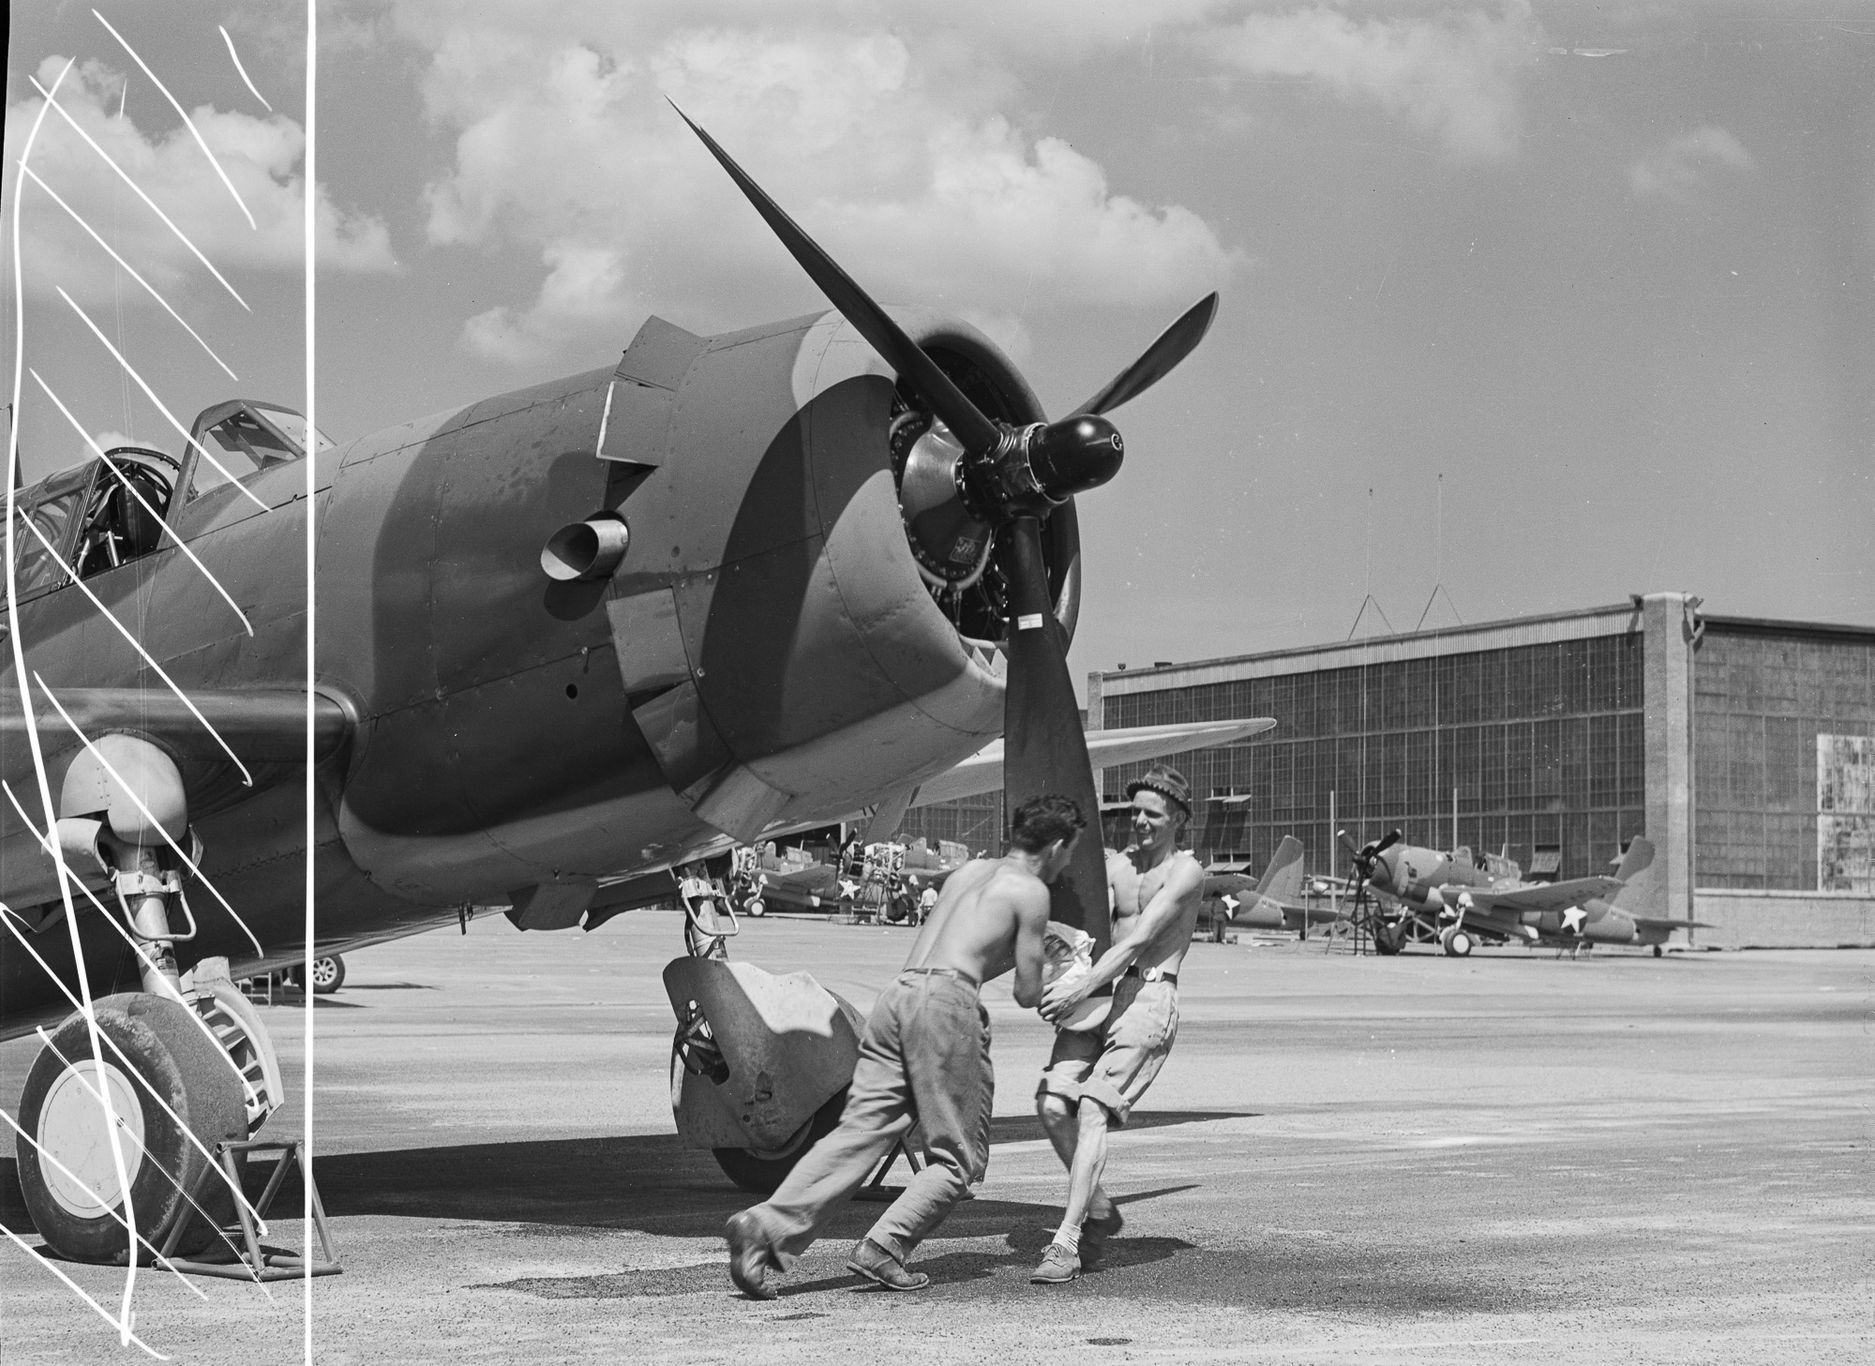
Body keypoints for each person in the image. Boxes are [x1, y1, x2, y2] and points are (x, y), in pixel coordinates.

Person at [724, 795, 1084, 1298]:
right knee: (958, 1159)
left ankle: (763, 1227)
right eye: (1071, 853)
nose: (1068, 863)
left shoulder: (969, 873)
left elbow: (957, 948)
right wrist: (1054, 952)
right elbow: (1027, 992)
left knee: (860, 1133)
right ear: (1059, 845)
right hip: (946, 1007)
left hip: (898, 997)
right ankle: (885, 1246)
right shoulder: (1030, 891)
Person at [1031, 763, 1205, 1284]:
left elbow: (1135, 940)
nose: (1141, 822)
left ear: (1177, 819)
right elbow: (1083, 930)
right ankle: (1100, 1209)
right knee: (1051, 1104)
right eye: (1135, 812)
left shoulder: (1186, 873)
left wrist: (1082, 988)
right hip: (1101, 992)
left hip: (1149, 996)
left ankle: (1065, 1242)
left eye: (1152, 814)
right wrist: (1057, 979)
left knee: (1090, 1110)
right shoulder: (1114, 865)